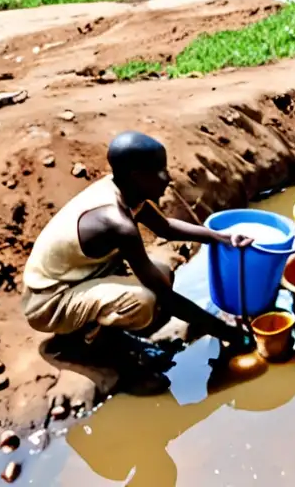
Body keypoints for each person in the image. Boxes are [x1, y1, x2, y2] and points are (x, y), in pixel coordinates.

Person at [22, 132, 252, 376]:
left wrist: (222, 237)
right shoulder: (116, 222)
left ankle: (101, 325)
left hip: (76, 279)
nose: (169, 178)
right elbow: (164, 296)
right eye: (160, 171)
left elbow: (165, 228)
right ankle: (86, 342)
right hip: (49, 303)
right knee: (145, 301)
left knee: (162, 272)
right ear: (137, 176)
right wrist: (228, 333)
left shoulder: (125, 190)